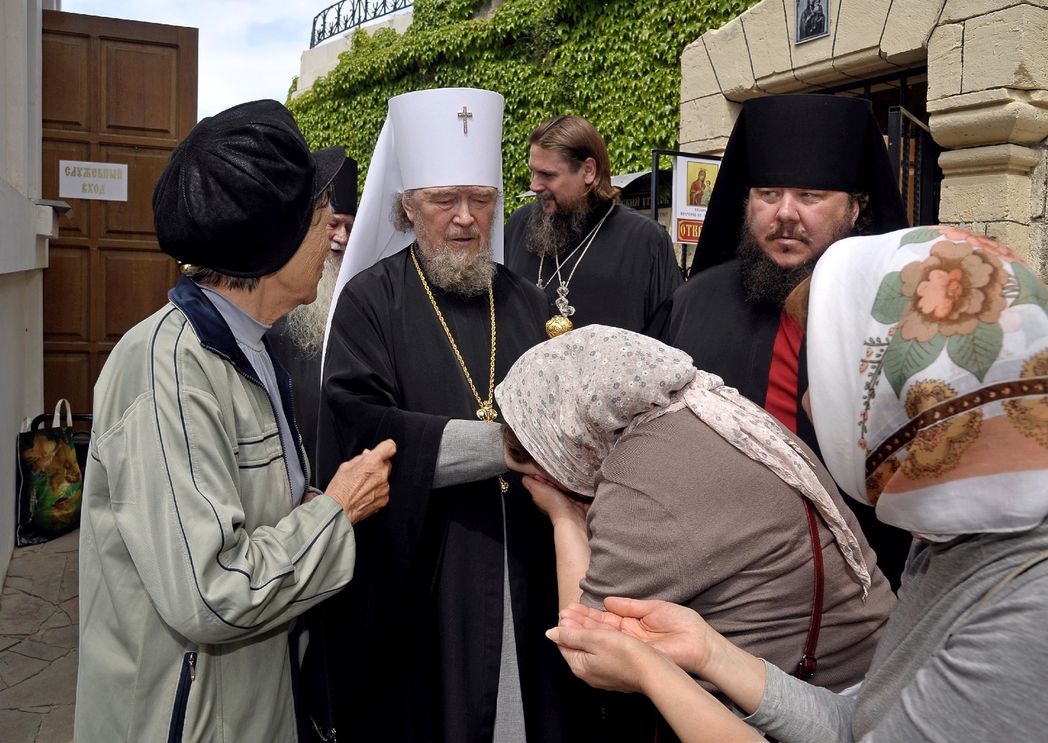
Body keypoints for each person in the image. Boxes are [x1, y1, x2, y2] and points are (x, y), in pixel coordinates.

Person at [549, 226, 1048, 741]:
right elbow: (866, 723)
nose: (809, 403)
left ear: (916, 393)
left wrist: (654, 675)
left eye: (829, 379)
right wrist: (709, 653)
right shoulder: (959, 536)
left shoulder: (1028, 612)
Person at [74, 100, 395, 742]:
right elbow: (211, 591)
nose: (332, 234)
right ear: (275, 246)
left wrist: (304, 504)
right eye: (320, 218)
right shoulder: (166, 368)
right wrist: (335, 511)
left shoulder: (251, 345)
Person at [315, 87, 584, 742]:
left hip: (526, 568)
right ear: (408, 205)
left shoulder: (527, 305)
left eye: (481, 199)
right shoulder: (369, 302)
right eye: (444, 200)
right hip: (425, 585)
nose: (466, 218)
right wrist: (500, 447)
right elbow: (360, 427)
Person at [495, 325, 894, 739]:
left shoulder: (641, 477)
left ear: (564, 439)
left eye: (538, 466)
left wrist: (563, 517)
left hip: (807, 704)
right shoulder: (715, 410)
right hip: (877, 663)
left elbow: (586, 641)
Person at [654, 94, 912, 588]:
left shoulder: (898, 311)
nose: (785, 214)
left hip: (858, 581)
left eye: (810, 196)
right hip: (713, 574)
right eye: (768, 194)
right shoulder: (692, 303)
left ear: (856, 209)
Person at [505, 115, 682, 337]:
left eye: (547, 175)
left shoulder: (645, 240)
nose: (534, 185)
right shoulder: (519, 225)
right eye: (533, 171)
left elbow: (669, 337)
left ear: (588, 170)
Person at [266, 155, 358, 481]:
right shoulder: (275, 297)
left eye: (350, 227)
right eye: (334, 224)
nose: (342, 237)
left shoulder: (363, 294)